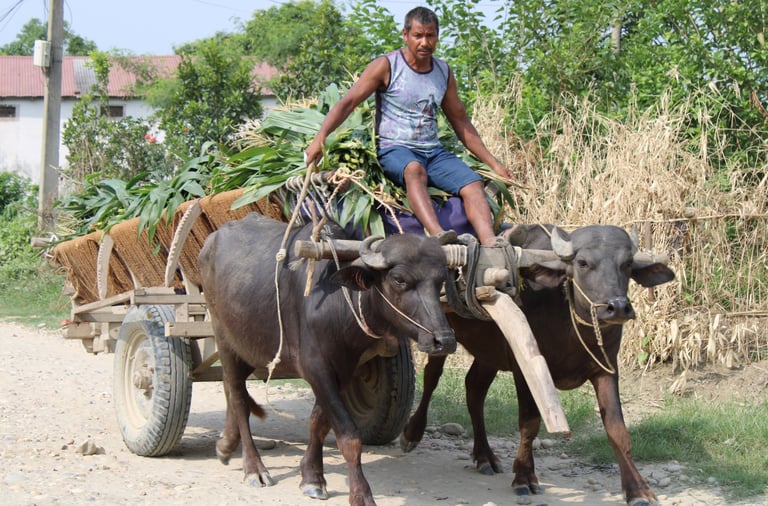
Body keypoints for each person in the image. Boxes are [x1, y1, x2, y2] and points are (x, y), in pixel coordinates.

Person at [305, 6, 515, 247]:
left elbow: (461, 121)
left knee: (472, 183)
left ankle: (490, 242)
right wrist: (319, 138)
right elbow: (348, 102)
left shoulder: (443, 72)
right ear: (405, 35)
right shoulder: (387, 66)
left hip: (433, 152)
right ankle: (439, 235)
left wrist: (495, 164)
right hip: (395, 149)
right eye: (418, 35)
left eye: (430, 35)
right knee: (414, 170)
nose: (424, 42)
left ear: (437, 36)